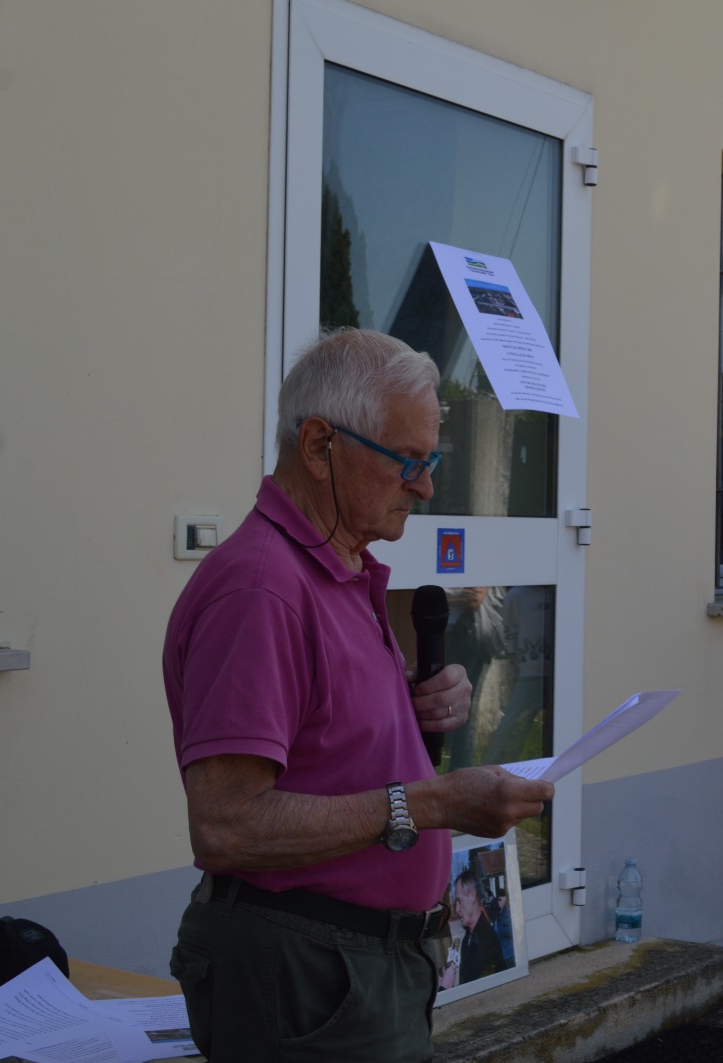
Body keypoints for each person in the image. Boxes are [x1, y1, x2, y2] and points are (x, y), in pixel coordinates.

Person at [165, 328, 555, 1063]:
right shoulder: (262, 588)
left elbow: (317, 742)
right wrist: (431, 803)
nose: (427, 485)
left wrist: (408, 711)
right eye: (409, 461)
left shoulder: (339, 566)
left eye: (431, 459)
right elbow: (225, 824)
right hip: (310, 975)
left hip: (354, 969)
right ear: (318, 447)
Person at [439, 868, 509, 987]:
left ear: (472, 896)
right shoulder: (469, 936)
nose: (457, 909)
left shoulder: (486, 942)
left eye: (459, 901)